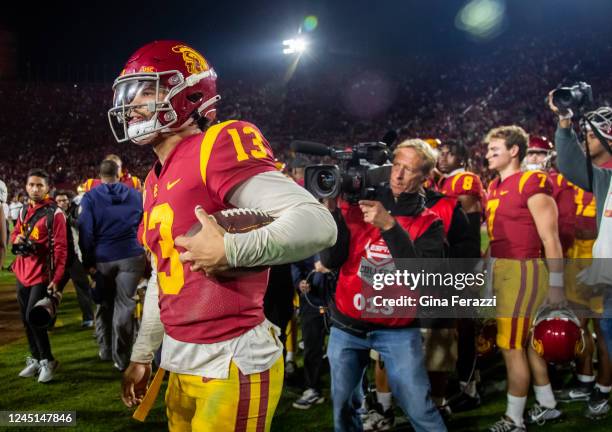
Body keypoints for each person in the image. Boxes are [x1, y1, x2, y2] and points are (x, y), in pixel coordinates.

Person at [113, 40, 336, 431]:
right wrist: (144, 352)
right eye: (131, 93)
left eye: (147, 90)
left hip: (231, 357)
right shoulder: (151, 181)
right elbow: (163, 277)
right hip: (178, 359)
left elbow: (318, 222)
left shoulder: (216, 145)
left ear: (191, 93)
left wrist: (232, 249)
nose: (133, 105)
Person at [321, 138, 447, 432]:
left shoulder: (429, 222)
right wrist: (331, 211)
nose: (399, 175)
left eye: (409, 170)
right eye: (397, 166)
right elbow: (332, 260)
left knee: (420, 408)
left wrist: (389, 226)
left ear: (424, 177)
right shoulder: (358, 205)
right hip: (347, 327)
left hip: (398, 331)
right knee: (342, 409)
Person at [484, 126, 565, 431]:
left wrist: (557, 285)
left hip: (523, 269)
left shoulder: (532, 181)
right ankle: (547, 404)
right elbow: (495, 238)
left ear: (514, 150)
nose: (488, 155)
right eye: (488, 150)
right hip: (505, 269)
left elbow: (551, 237)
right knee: (528, 343)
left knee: (510, 347)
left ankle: (514, 419)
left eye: (495, 149)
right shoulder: (494, 186)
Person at [548, 98, 612, 419]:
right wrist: (564, 121)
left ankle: (603, 387)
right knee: (598, 329)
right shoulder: (603, 178)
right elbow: (571, 164)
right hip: (600, 271)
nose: (586, 140)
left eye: (591, 135)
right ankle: (591, 381)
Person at [78, 160, 146, 371]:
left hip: (103, 258)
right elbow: (144, 224)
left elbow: (86, 232)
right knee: (125, 307)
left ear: (99, 176)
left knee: (104, 304)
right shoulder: (135, 195)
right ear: (120, 173)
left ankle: (106, 349)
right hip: (132, 256)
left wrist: (88, 262)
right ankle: (123, 357)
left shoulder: (90, 197)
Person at [11, 168, 68, 383]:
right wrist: (17, 241)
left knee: (33, 318)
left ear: (47, 188)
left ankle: (48, 360)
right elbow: (16, 232)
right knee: (25, 320)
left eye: (39, 185)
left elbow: (62, 250)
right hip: (22, 271)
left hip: (42, 274)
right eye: (31, 185)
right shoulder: (24, 210)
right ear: (26, 186)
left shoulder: (55, 214)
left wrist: (57, 279)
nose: (35, 189)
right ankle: (35, 358)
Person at [54, 190, 95, 328]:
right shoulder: (51, 214)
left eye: (64, 200)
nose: (62, 203)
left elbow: (82, 226)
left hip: (75, 258)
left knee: (82, 288)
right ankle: (49, 319)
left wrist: (67, 218)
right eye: (59, 201)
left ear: (69, 201)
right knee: (53, 289)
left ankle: (88, 318)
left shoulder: (77, 211)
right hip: (60, 259)